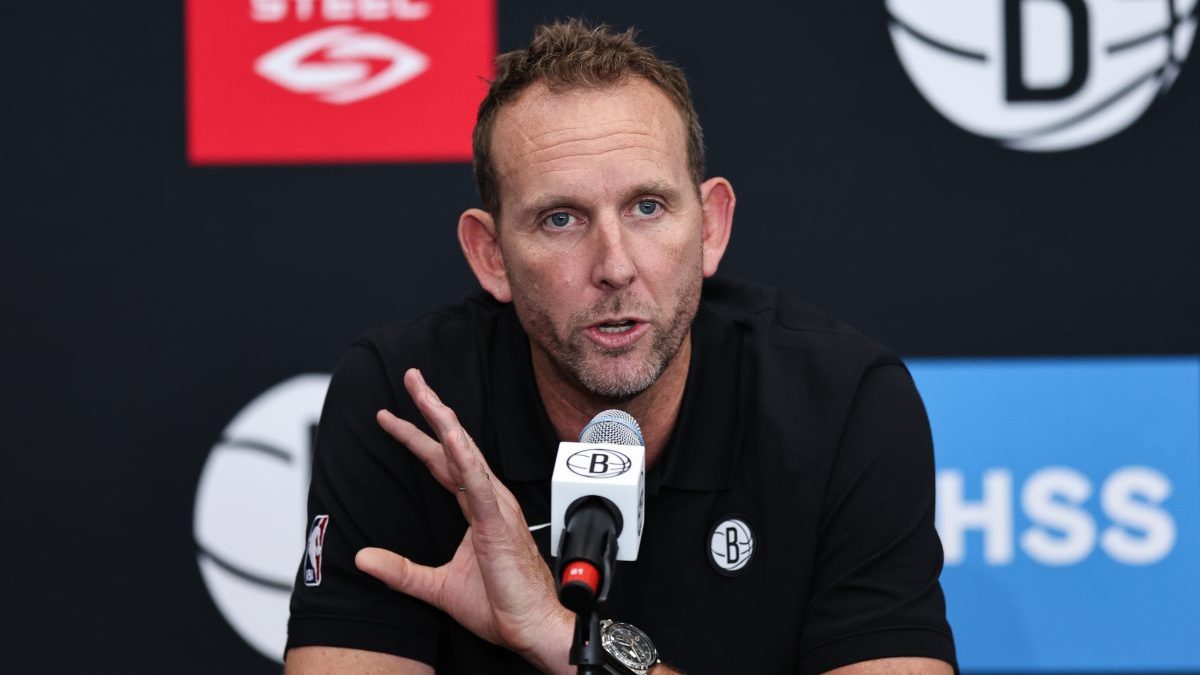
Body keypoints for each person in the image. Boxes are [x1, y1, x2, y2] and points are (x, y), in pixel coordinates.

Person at [285, 19, 956, 675]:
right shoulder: (409, 404)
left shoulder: (842, 403)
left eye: (647, 208)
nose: (614, 266)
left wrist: (561, 636)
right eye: (561, 219)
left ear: (711, 228)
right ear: (491, 256)